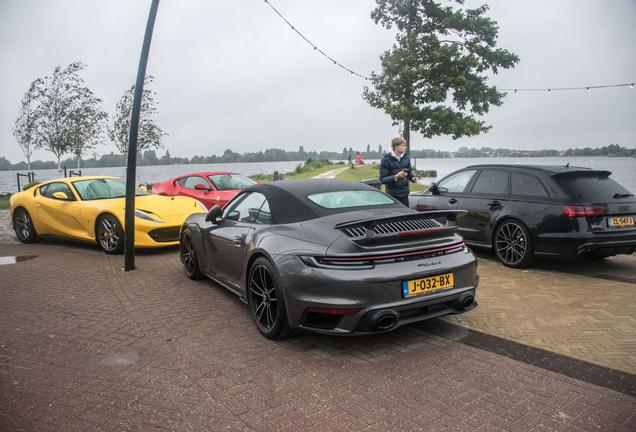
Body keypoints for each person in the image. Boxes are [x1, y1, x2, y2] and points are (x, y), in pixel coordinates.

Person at [379, 137, 418, 206]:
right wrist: (396, 177)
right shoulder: (386, 160)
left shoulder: (406, 158)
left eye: (405, 145)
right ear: (396, 147)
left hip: (404, 194)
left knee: (405, 215)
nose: (405, 147)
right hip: (392, 195)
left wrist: (413, 178)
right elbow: (382, 179)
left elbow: (408, 173)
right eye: (403, 146)